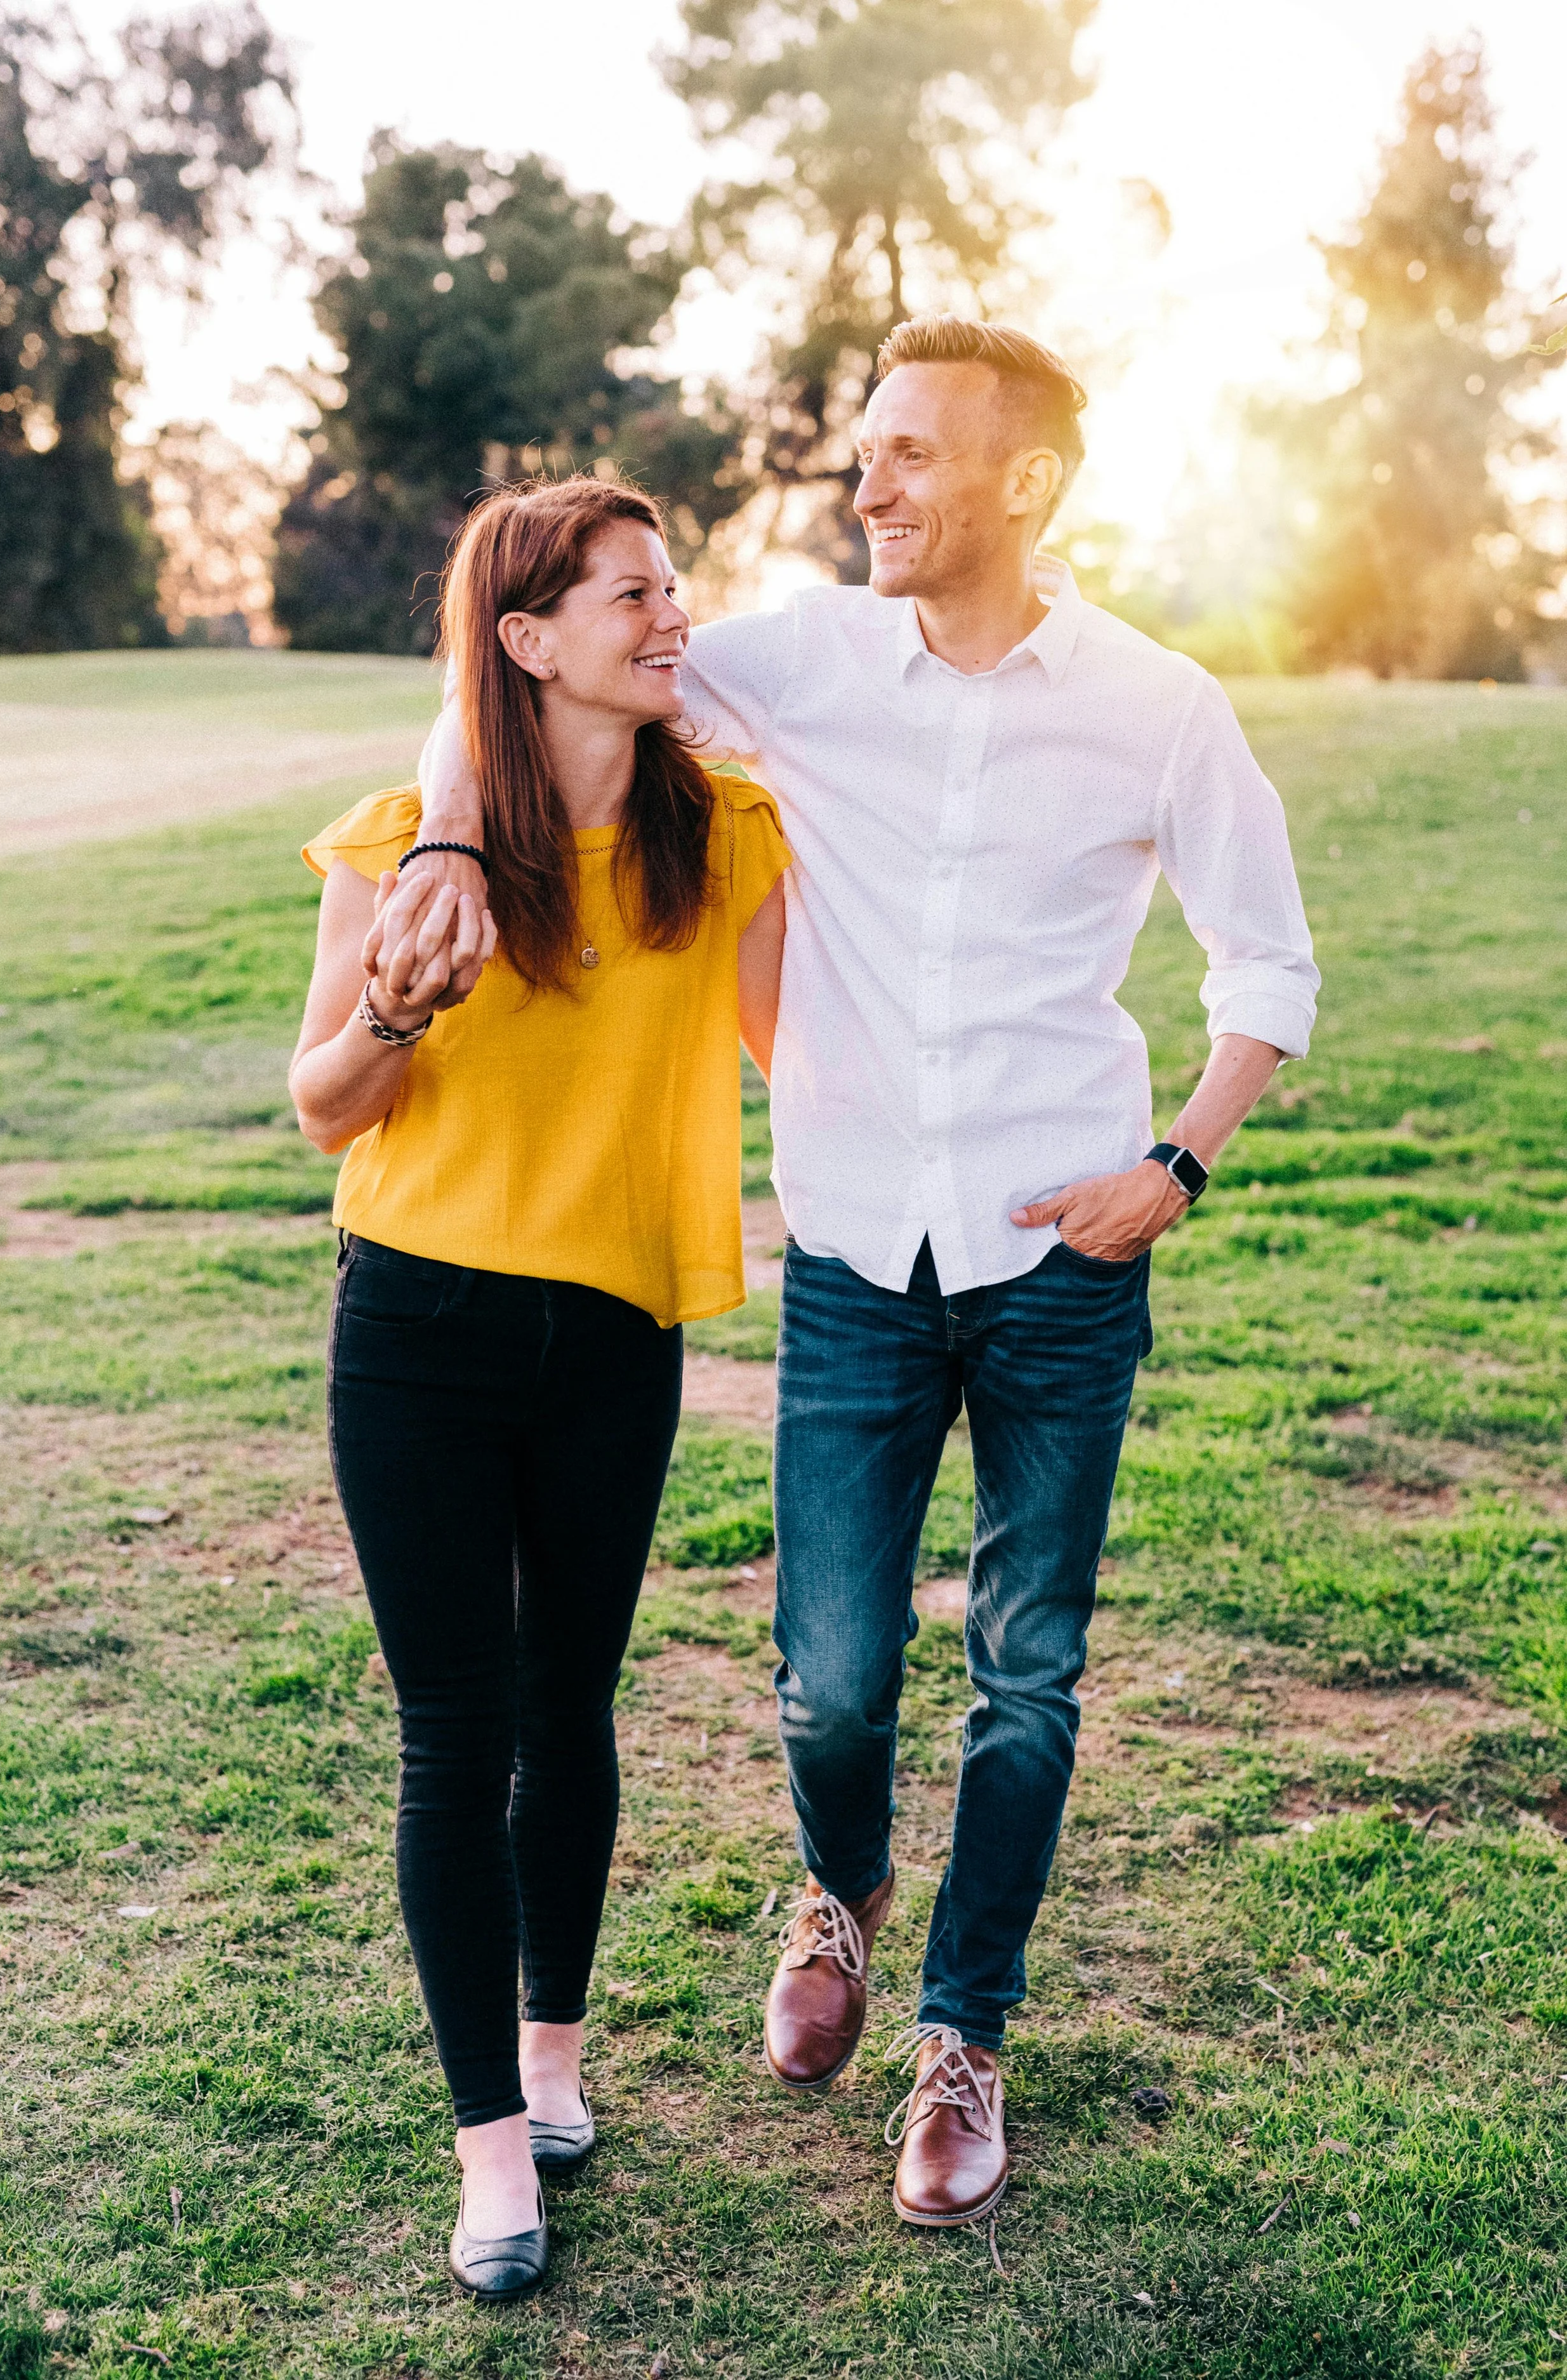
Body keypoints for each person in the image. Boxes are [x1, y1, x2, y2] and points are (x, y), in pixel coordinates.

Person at [397, 315, 1319, 2230]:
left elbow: (1268, 967)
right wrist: (444, 842)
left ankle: (958, 2033)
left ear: (1021, 482)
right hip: (847, 1252)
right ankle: (837, 1879)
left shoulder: (1157, 704)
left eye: (905, 453)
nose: (866, 484)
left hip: (1060, 1249)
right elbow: (520, 679)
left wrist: (1176, 1161)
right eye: (868, 452)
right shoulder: (793, 662)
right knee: (829, 1684)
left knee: (1026, 1672)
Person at [288, 475, 788, 2300]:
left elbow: (805, 1050)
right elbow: (324, 1102)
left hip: (614, 1338)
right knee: (455, 1731)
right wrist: (405, 1003)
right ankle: (489, 2147)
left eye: (674, 588)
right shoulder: (398, 847)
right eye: (630, 597)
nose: (673, 620)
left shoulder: (724, 836)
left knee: (571, 1705)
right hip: (415, 1326)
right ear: (522, 639)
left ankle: (557, 2057)